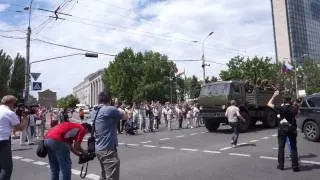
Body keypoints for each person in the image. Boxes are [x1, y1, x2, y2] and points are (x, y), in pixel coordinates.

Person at [93, 91, 127, 180]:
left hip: (98, 148)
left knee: (104, 175)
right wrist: (116, 106)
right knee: (112, 177)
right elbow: (125, 116)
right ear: (109, 100)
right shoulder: (109, 109)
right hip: (108, 149)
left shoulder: (95, 110)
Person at [267, 90, 299, 172]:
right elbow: (297, 116)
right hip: (292, 129)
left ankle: (281, 165)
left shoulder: (280, 107)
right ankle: (295, 166)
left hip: (282, 129)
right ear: (290, 99)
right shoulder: (294, 108)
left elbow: (269, 104)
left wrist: (274, 96)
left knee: (281, 148)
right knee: (293, 148)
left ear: (283, 100)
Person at [0, 95, 28, 180]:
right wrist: (25, 120)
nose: (14, 106)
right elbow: (19, 128)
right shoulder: (9, 112)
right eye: (14, 104)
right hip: (3, 140)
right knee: (6, 168)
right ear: (10, 103)